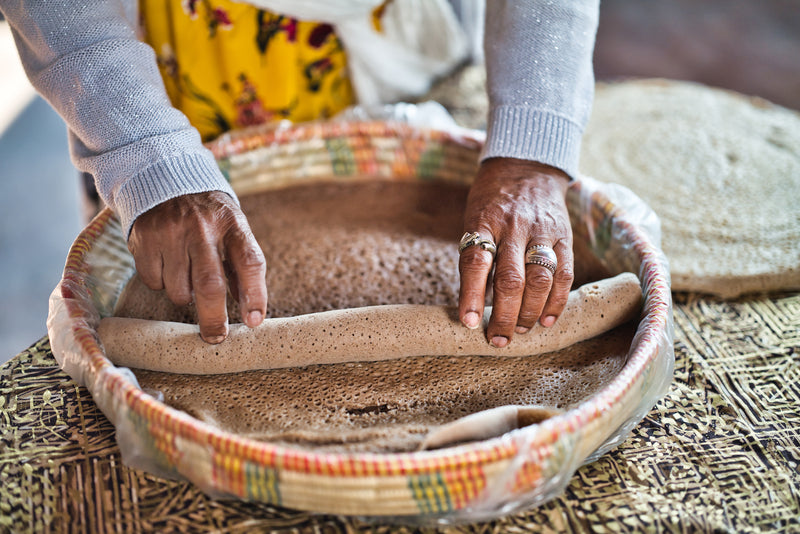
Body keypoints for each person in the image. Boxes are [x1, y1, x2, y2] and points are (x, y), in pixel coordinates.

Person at [1, 1, 599, 348]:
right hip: (181, 60)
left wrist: (529, 152)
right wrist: (150, 154)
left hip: (395, 39)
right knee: (174, 290)